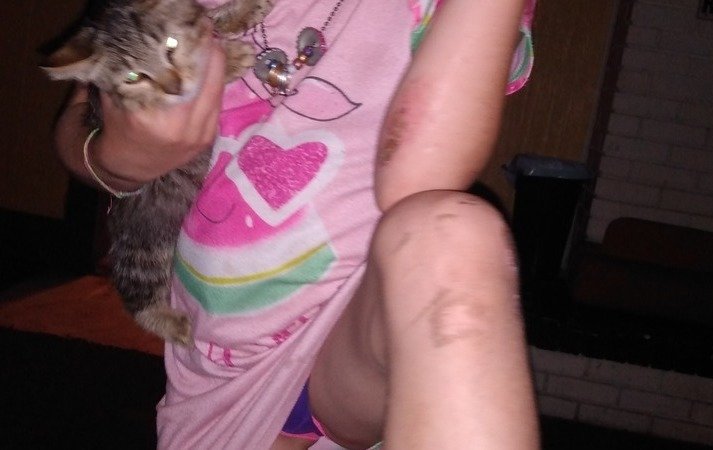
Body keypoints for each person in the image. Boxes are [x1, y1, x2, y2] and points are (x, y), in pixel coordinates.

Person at [54, 0, 539, 448]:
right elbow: (78, 114)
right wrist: (117, 158)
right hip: (220, 370)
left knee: (451, 241)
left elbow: (419, 182)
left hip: (358, 324)